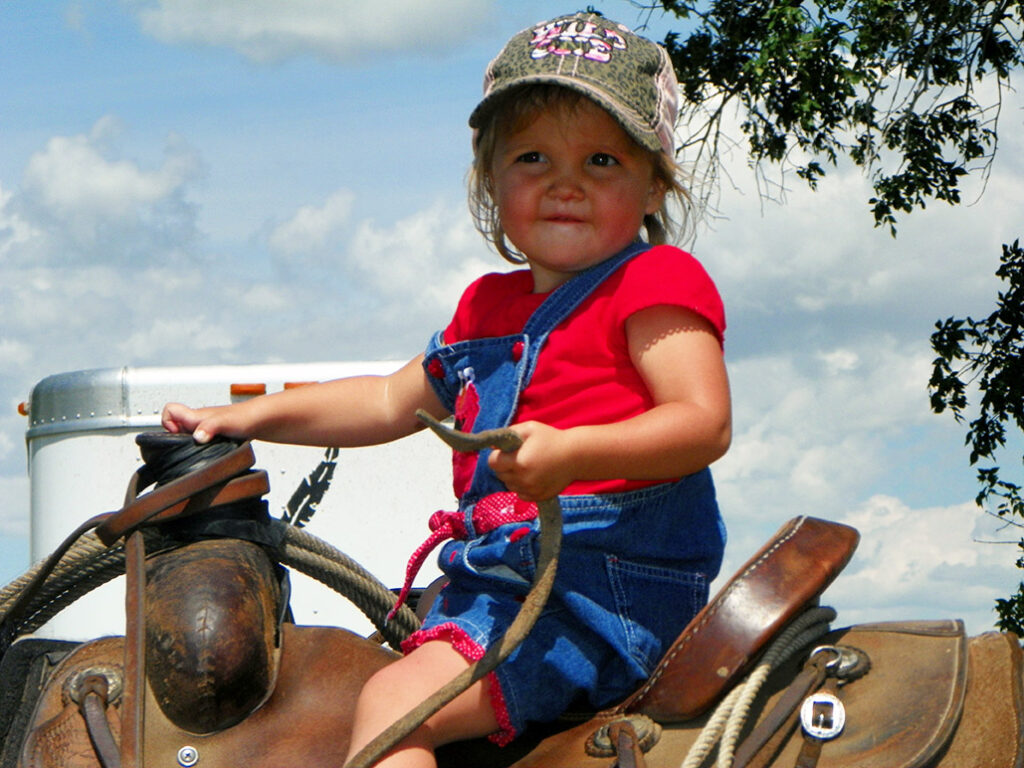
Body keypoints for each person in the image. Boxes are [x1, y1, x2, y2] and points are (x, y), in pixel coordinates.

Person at [162, 11, 731, 767]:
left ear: (655, 184)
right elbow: (386, 401)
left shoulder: (654, 281)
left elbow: (702, 422)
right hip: (503, 579)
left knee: (395, 706)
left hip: (598, 585)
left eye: (602, 160)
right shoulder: (482, 311)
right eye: (533, 157)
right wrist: (252, 417)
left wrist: (572, 455)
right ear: (492, 180)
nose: (566, 184)